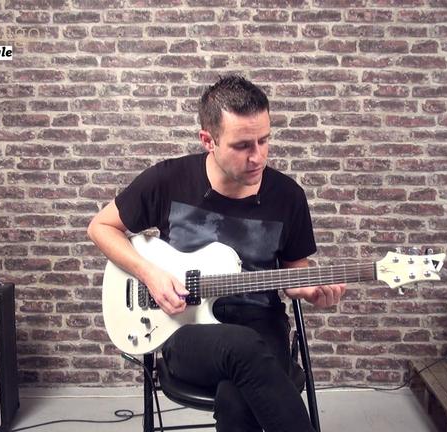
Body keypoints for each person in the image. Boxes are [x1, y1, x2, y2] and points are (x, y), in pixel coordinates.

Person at [88, 75, 346, 432]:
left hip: (262, 322)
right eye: (242, 145)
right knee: (244, 347)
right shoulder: (168, 180)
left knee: (238, 399)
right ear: (208, 140)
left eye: (264, 140)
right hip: (186, 329)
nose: (258, 156)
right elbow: (100, 227)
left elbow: (294, 271)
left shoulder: (288, 196)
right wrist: (150, 273)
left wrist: (312, 291)